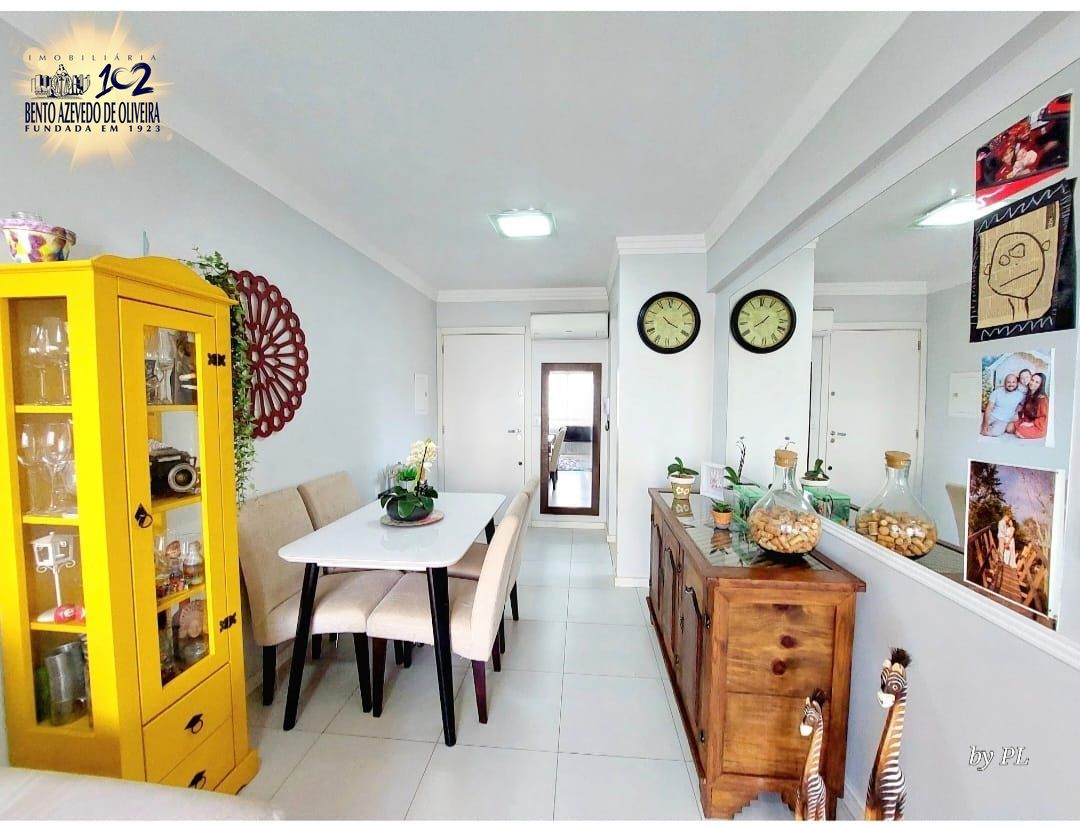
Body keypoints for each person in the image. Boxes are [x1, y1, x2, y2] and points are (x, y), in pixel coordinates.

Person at [1010, 371, 1049, 440]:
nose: (1033, 383)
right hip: (1028, 420)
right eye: (1032, 380)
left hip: (1038, 425)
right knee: (1009, 428)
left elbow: (1044, 418)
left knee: (1019, 432)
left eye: (1037, 382)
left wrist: (1031, 424)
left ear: (1040, 385)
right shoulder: (1030, 394)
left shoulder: (1042, 399)